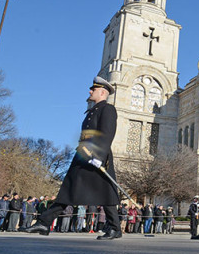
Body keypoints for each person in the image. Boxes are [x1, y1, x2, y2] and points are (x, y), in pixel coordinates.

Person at [20, 76, 122, 240]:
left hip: (96, 156)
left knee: (106, 192)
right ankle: (44, 222)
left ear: (102, 92)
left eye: (93, 89)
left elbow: (107, 134)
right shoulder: (93, 110)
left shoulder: (107, 109)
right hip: (84, 155)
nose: (90, 91)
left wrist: (99, 157)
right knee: (68, 188)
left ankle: (115, 228)